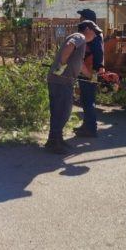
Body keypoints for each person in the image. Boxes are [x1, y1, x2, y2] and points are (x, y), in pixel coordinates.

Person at [45, 20, 102, 154]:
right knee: (62, 111)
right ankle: (53, 142)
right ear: (87, 29)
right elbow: (68, 47)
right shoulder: (79, 37)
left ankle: (56, 139)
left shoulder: (81, 43)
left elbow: (80, 64)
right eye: (94, 32)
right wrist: (62, 64)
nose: (95, 35)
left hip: (63, 82)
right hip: (61, 81)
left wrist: (90, 77)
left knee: (61, 111)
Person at [74, 9, 105, 138]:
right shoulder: (93, 33)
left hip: (89, 71)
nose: (80, 19)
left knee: (88, 99)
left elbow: (98, 53)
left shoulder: (94, 35)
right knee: (85, 99)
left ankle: (91, 129)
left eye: (81, 17)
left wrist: (96, 70)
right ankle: (87, 125)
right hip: (87, 70)